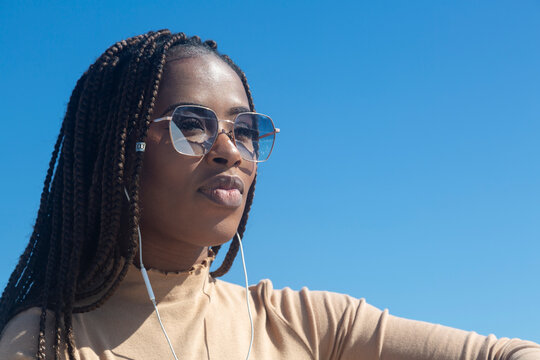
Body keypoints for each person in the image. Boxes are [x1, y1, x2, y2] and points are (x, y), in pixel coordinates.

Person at [0, 29, 538, 360]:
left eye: (246, 130)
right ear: (118, 150)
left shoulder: (301, 322)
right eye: (193, 125)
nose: (231, 150)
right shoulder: (46, 343)